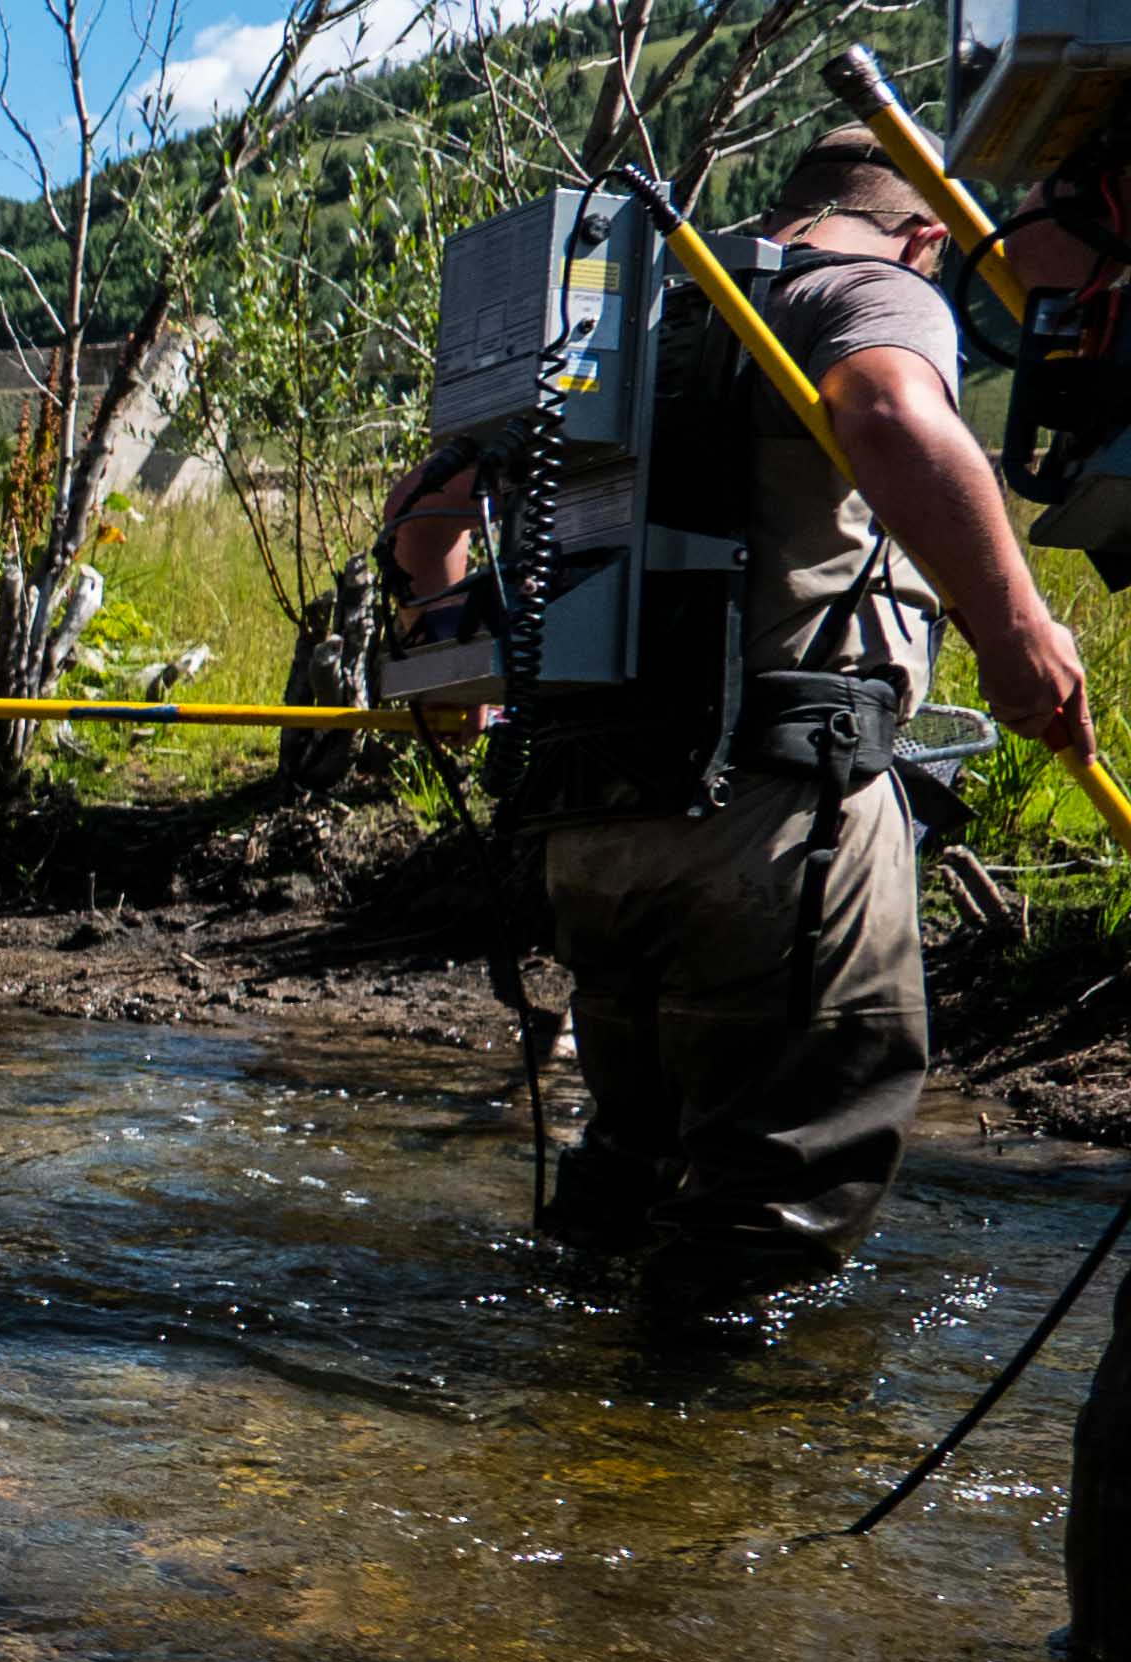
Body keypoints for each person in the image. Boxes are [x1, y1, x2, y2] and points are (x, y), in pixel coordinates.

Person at [385, 127, 1088, 1317]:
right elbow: (886, 415)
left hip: (591, 828)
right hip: (771, 812)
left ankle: (541, 1408)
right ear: (923, 230)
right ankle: (663, 1472)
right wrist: (1015, 628)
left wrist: (446, 632)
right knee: (778, 1196)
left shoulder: (637, 320)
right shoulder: (871, 288)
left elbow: (421, 514)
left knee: (632, 1160)